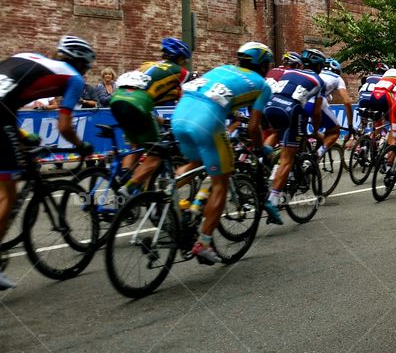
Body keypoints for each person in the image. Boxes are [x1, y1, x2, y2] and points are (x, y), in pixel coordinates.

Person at [0, 35, 97, 290]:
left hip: (5, 115)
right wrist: (81, 145)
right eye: (87, 68)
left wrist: (23, 135)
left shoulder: (27, 57)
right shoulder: (73, 78)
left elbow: (9, 103)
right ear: (80, 64)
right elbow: (64, 127)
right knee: (7, 193)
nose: (85, 73)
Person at [171, 42, 273, 265]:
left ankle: (167, 196)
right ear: (264, 66)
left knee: (195, 161)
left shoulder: (221, 69)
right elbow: (254, 127)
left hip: (179, 116)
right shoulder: (262, 85)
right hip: (206, 123)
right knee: (221, 183)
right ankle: (204, 243)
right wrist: (261, 149)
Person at [112, 37, 192, 197]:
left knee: (136, 146)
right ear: (179, 58)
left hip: (118, 99)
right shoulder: (181, 72)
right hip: (138, 103)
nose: (184, 64)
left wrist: (159, 119)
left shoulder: (148, 65)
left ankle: (124, 177)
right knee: (157, 154)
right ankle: (128, 190)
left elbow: (148, 94)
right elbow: (185, 99)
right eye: (184, 60)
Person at [262, 61, 326, 225]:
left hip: (270, 105)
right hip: (291, 110)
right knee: (287, 159)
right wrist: (315, 130)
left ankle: (262, 161)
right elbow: (316, 112)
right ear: (319, 67)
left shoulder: (289, 72)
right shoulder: (319, 81)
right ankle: (273, 200)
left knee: (276, 132)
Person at [302, 52, 354, 164]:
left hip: (300, 101)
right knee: (335, 131)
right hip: (316, 102)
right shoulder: (337, 78)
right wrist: (350, 126)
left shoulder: (316, 74)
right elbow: (347, 102)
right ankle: (317, 155)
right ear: (337, 71)